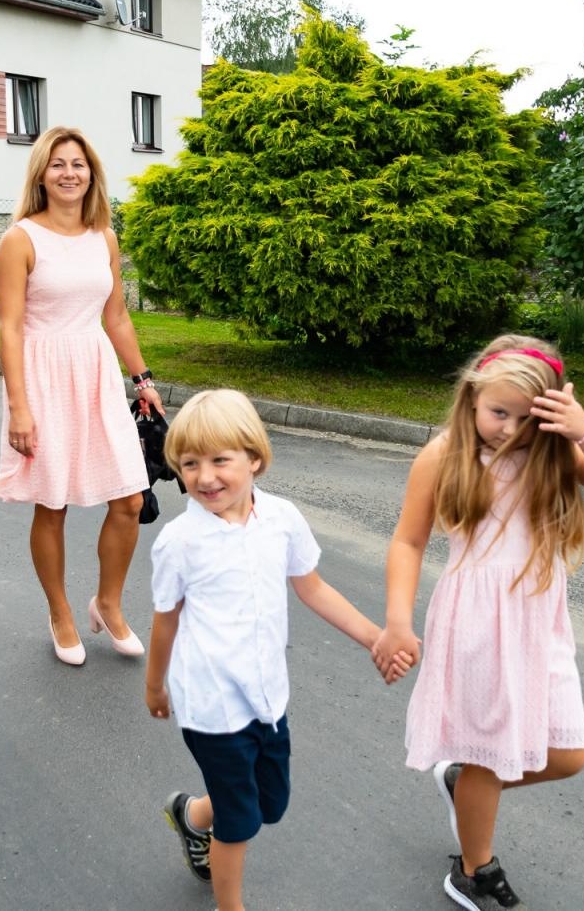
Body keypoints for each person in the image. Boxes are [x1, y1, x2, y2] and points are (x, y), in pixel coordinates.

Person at [371, 334, 584, 910]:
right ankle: (473, 868)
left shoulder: (554, 453)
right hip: (475, 627)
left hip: (538, 626)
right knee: (490, 757)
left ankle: (467, 782)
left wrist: (582, 428)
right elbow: (408, 540)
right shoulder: (445, 455)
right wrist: (398, 621)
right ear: (472, 396)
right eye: (499, 412)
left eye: (526, 417)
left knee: (567, 754)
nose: (509, 428)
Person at [145, 389, 406, 911]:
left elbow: (313, 588)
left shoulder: (282, 519)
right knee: (240, 823)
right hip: (211, 704)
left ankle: (193, 814)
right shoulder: (179, 541)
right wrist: (155, 684)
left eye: (221, 460)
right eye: (190, 463)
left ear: (255, 459)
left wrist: (375, 636)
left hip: (266, 697)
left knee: (268, 803)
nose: (205, 476)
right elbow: (165, 619)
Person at [0, 126, 164, 665]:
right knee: (53, 503)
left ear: (91, 174)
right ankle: (60, 612)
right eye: (57, 164)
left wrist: (143, 379)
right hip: (42, 378)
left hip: (98, 373)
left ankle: (107, 603)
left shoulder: (103, 237)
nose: (68, 173)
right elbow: (9, 328)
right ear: (41, 172)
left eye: (78, 164)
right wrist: (19, 407)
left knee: (130, 498)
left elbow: (117, 316)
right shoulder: (20, 239)